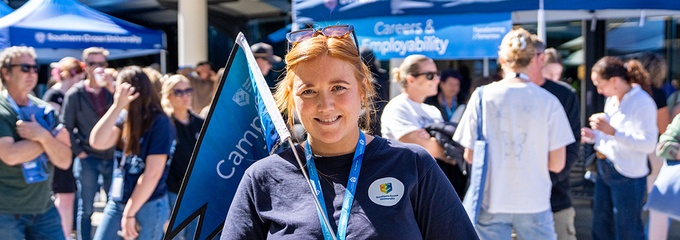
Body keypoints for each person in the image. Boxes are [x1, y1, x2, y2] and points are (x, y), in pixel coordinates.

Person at [221, 24, 478, 239]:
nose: (325, 105)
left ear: (363, 90)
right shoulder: (262, 178)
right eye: (308, 91)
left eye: (339, 87)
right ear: (291, 98)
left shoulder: (413, 164)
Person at [453, 28, 574, 240]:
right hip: (535, 201)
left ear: (501, 59)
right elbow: (557, 163)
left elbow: (470, 156)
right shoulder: (549, 101)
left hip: (491, 200)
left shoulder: (481, 97)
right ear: (534, 60)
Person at [90, 66, 176, 240]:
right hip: (118, 199)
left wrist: (129, 213)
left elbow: (153, 173)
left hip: (147, 203)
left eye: (121, 87)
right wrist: (116, 107)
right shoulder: (124, 118)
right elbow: (97, 142)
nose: (117, 91)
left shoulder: (160, 122)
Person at [581, 56, 657, 240]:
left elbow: (648, 143)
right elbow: (611, 136)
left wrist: (613, 132)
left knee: (628, 230)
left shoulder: (642, 102)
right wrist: (594, 136)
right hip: (605, 167)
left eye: (600, 85)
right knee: (601, 226)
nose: (598, 91)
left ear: (614, 81)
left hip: (628, 174)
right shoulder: (613, 99)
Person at [0, 46, 72, 239]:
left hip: (44, 208)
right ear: (5, 72)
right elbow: (11, 155)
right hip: (6, 212)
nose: (32, 73)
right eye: (25, 68)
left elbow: (64, 160)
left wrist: (42, 135)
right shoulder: (2, 109)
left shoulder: (46, 109)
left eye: (34, 68)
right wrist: (51, 140)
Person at [381, 55, 466, 198]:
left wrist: (432, 141)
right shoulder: (397, 107)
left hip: (431, 186)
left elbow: (443, 149)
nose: (437, 79)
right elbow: (423, 148)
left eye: (437, 74)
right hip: (405, 187)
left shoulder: (432, 110)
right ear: (411, 79)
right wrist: (439, 144)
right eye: (430, 75)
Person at [61, 47, 115, 240]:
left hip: (112, 156)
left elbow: (126, 117)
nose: (98, 68)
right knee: (86, 207)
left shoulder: (112, 90)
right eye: (93, 64)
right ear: (85, 66)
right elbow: (65, 126)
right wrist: (80, 153)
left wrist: (113, 89)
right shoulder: (75, 94)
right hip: (87, 158)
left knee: (114, 205)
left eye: (102, 64)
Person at [530, 39, 581, 240]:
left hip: (556, 199)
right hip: (512, 203)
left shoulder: (564, 95)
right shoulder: (498, 94)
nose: (554, 79)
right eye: (550, 74)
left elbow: (571, 148)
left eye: (557, 75)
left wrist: (547, 180)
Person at [44, 56, 86, 239]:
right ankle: (63, 234)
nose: (81, 82)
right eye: (79, 78)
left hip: (67, 152)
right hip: (59, 152)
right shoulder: (54, 95)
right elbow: (55, 127)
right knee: (65, 196)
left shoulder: (70, 95)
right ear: (71, 75)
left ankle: (65, 233)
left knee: (68, 196)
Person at [633, 52, 672, 240]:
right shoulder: (656, 94)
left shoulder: (628, 94)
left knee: (630, 206)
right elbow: (664, 128)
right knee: (659, 207)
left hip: (630, 151)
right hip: (652, 154)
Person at [161, 74, 203, 240]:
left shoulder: (199, 123)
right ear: (168, 96)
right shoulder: (164, 124)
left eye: (188, 91)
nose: (185, 96)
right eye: (179, 92)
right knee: (175, 235)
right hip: (172, 191)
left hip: (195, 190)